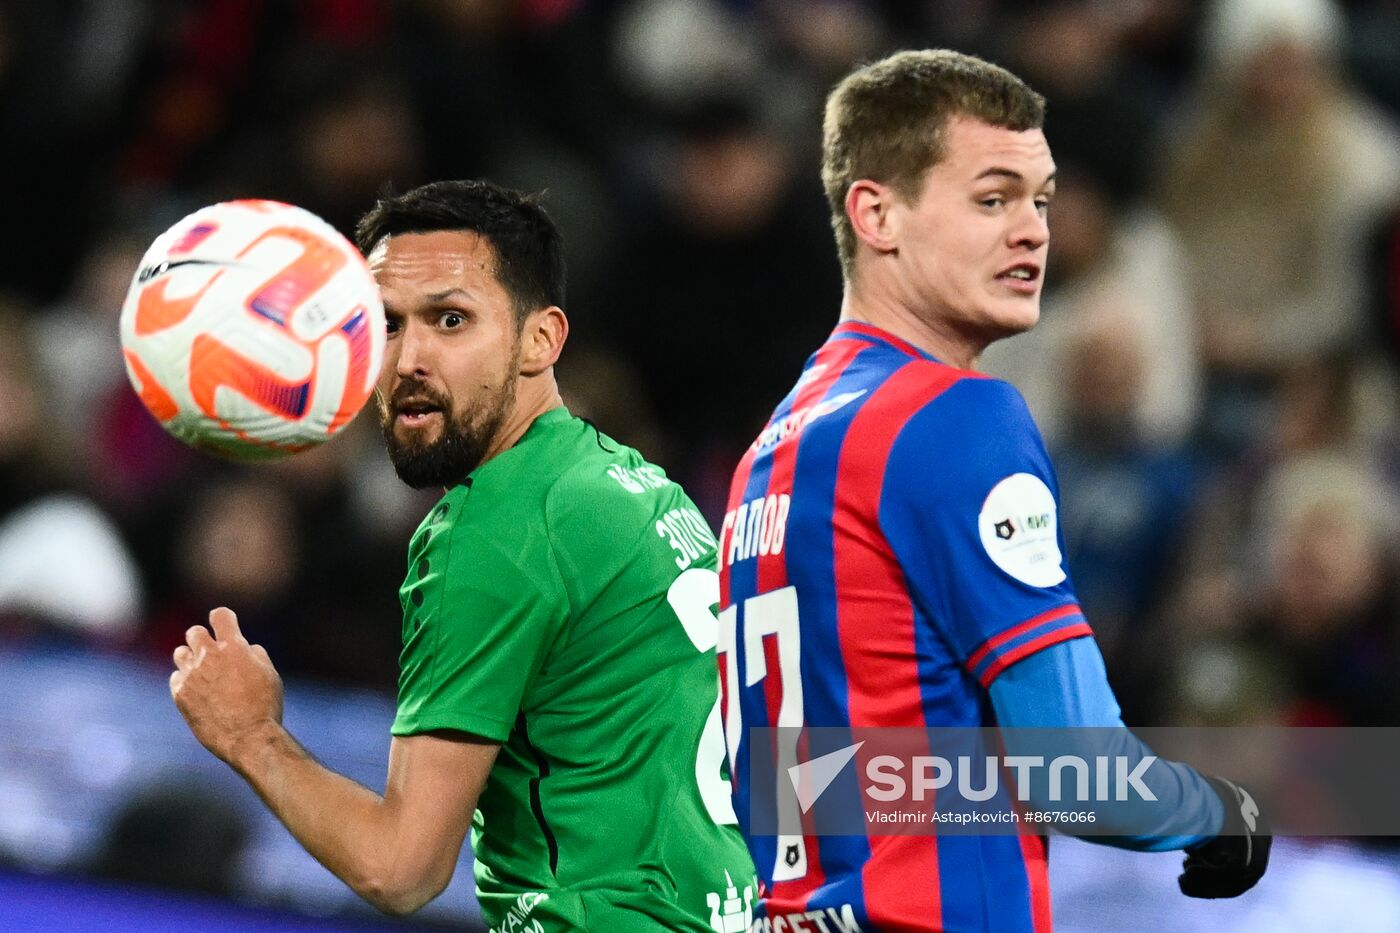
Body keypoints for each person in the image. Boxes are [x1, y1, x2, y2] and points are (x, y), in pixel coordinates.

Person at [717, 50, 1269, 931]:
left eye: (1041, 200)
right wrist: (1219, 814)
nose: (1034, 231)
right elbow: (1075, 768)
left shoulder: (772, 450)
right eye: (992, 197)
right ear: (876, 214)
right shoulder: (953, 421)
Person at [169, 180, 757, 931]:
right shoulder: (630, 483)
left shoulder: (495, 529)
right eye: (384, 323)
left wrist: (251, 735)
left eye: (451, 319)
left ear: (541, 338)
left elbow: (401, 867)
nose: (410, 357)